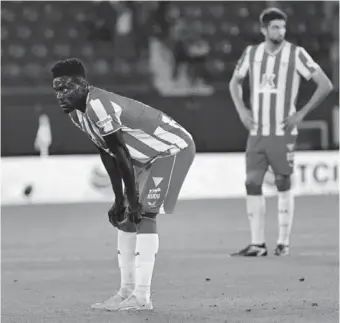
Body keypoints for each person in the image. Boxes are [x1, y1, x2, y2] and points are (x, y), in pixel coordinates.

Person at [51, 58, 195, 310]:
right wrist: (119, 200)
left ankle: (142, 298)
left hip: (172, 150)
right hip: (144, 157)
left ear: (83, 84)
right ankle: (125, 292)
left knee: (144, 215)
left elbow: (122, 154)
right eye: (57, 90)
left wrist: (131, 200)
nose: (60, 95)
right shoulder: (77, 113)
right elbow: (107, 153)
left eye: (65, 88)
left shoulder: (99, 105)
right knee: (126, 217)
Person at [229, 8, 333, 257]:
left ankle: (283, 242)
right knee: (252, 183)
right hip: (257, 132)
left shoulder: (296, 54)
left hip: (282, 132)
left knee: (283, 182)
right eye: (275, 27)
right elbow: (235, 82)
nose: (280, 32)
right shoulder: (251, 53)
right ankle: (257, 244)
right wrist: (242, 110)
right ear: (264, 29)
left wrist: (302, 113)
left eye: (283, 27)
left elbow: (325, 84)